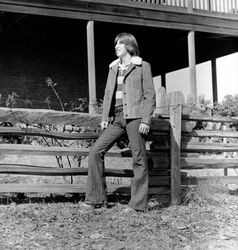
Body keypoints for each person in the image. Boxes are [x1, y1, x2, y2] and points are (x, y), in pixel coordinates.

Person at [81, 32, 156, 212]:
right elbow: (108, 94)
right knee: (95, 151)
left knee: (138, 158)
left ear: (129, 46)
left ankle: (137, 205)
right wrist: (105, 117)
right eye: (115, 44)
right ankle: (96, 199)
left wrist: (146, 119)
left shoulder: (142, 66)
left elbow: (150, 95)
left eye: (120, 44)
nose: (116, 47)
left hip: (135, 117)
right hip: (116, 118)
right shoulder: (114, 68)